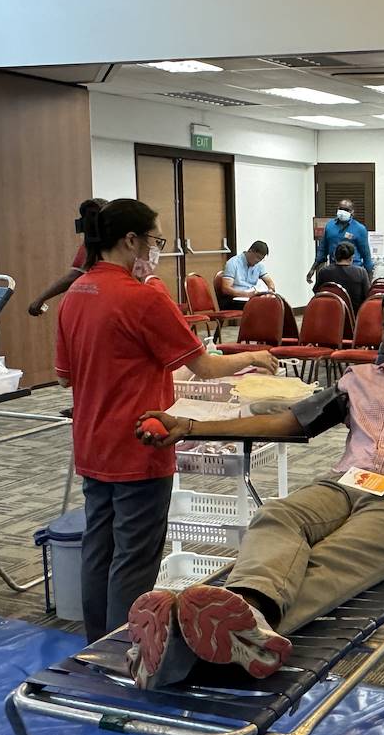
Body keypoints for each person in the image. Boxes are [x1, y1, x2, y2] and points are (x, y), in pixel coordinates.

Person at [125, 287, 384, 687]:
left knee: (330, 559)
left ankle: (195, 642)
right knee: (277, 515)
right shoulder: (358, 380)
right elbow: (289, 422)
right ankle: (251, 612)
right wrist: (190, 427)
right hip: (342, 486)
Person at [56, 199, 277, 643]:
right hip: (141, 442)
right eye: (156, 240)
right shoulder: (143, 298)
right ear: (131, 240)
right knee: (134, 558)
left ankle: (96, 645)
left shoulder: (75, 294)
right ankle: (127, 650)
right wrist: (253, 356)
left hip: (92, 442)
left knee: (99, 548)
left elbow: (66, 377)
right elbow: (205, 367)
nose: (157, 250)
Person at [29, 198, 106, 316]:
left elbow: (74, 276)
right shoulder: (90, 246)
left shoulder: (125, 244)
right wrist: (41, 298)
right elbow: (75, 274)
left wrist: (41, 299)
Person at [310, 199, 373, 279]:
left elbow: (366, 255)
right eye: (341, 209)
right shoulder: (329, 226)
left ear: (352, 212)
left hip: (354, 271)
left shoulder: (360, 229)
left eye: (346, 210)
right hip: (334, 270)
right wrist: (313, 269)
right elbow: (322, 249)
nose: (343, 212)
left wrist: (369, 278)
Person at [217, 240, 274, 310]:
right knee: (259, 307)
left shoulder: (259, 265)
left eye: (261, 259)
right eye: (257, 257)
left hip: (250, 298)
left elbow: (270, 282)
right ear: (250, 251)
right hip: (234, 299)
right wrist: (246, 294)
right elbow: (226, 289)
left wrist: (270, 290)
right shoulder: (233, 263)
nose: (258, 261)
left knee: (274, 304)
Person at [314, 241, 371, 310]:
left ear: (335, 256)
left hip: (329, 312)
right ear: (351, 257)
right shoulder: (361, 272)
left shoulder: (324, 272)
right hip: (354, 314)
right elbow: (368, 295)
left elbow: (317, 291)